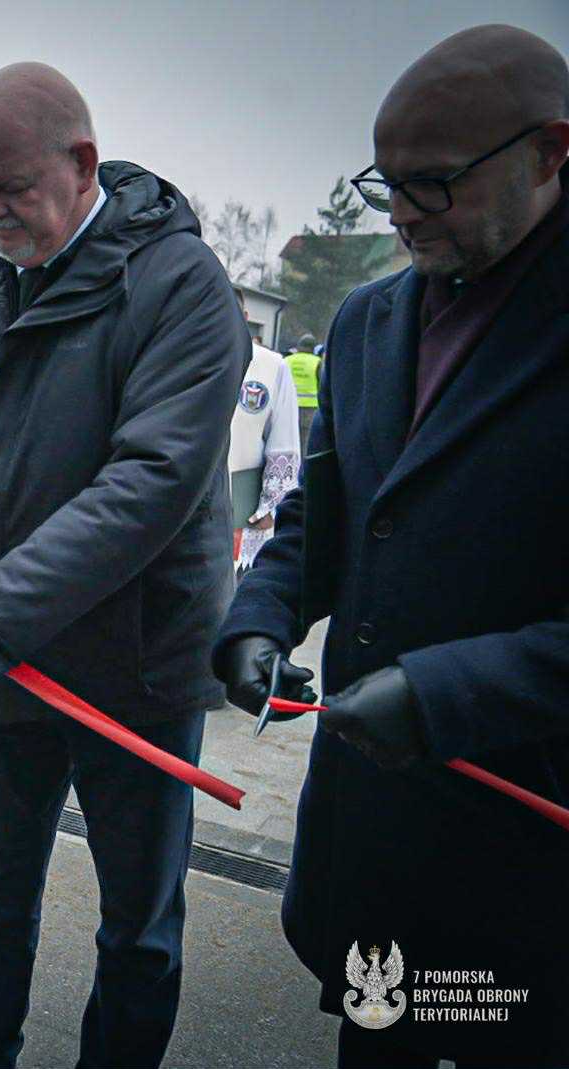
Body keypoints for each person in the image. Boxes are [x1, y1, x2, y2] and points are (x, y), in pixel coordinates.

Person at [0, 64, 245, 1069]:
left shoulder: (179, 286)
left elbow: (149, 486)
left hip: (137, 672)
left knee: (138, 921)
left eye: (11, 187)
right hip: (7, 668)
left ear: (82, 165)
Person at [214, 25, 569, 1067]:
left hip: (529, 853)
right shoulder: (370, 321)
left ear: (549, 152)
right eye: (386, 185)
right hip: (376, 846)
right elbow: (325, 520)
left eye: (435, 184)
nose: (402, 214)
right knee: (381, 1041)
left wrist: (443, 693)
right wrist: (260, 616)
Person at [229, 290, 301, 573]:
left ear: (245, 317)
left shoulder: (271, 366)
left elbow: (283, 441)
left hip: (243, 505)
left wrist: (271, 505)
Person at [285, 331, 322, 447]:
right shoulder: (317, 362)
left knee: (287, 438)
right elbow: (322, 385)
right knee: (305, 441)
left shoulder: (287, 360)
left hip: (287, 406)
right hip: (310, 409)